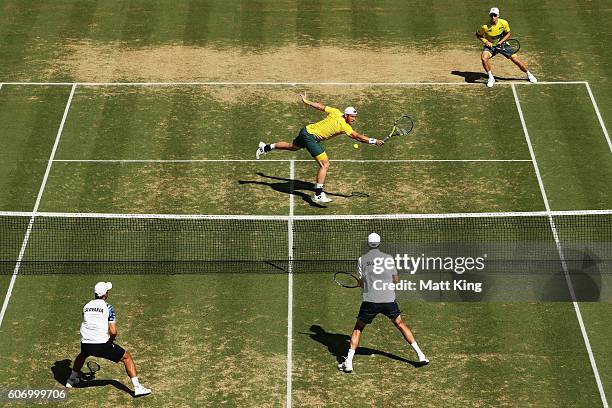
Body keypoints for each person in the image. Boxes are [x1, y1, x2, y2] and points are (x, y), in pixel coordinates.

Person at [256, 93, 384, 203]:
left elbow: (320, 107)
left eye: (355, 117)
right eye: (352, 117)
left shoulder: (336, 112)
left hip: (306, 130)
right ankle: (317, 194)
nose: (354, 119)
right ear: (346, 115)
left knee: (292, 147)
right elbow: (358, 137)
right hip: (311, 137)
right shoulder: (345, 126)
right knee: (325, 164)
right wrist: (374, 141)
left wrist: (307, 102)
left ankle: (265, 147)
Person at [338, 233, 429, 373]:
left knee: (358, 329)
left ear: (368, 243)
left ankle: (348, 362)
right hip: (388, 300)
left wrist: (363, 284)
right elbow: (395, 280)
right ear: (379, 243)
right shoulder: (389, 258)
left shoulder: (362, 260)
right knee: (400, 324)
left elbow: (362, 283)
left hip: (371, 302)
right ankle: (421, 354)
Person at [66, 282, 151, 397]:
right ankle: (137, 388)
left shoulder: (86, 306)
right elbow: (113, 331)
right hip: (101, 345)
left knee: (83, 354)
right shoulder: (108, 307)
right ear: (105, 294)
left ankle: (71, 380)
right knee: (126, 357)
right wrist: (111, 340)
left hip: (86, 343)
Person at [475, 7, 537, 88]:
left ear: (498, 15)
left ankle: (529, 74)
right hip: (491, 46)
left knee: (516, 60)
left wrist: (500, 42)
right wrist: (486, 41)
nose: (493, 17)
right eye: (491, 15)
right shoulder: (485, 26)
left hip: (503, 45)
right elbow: (478, 35)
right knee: (484, 58)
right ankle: (491, 78)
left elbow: (508, 33)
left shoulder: (504, 23)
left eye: (495, 15)